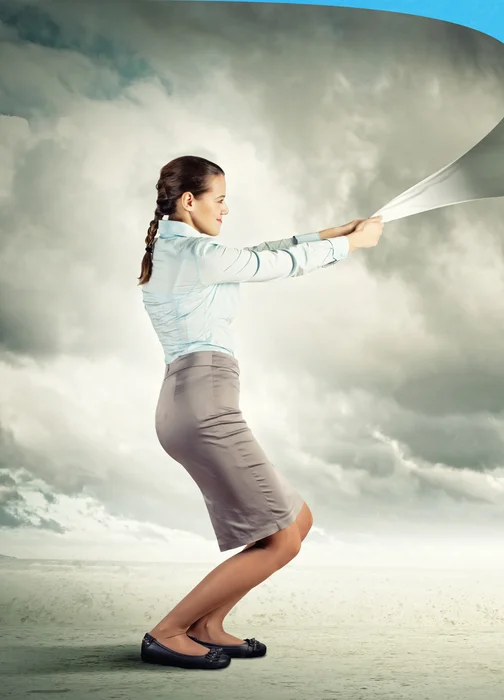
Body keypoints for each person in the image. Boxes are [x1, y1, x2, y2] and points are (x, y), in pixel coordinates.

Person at [136, 155, 383, 670]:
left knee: (297, 520)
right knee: (283, 541)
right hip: (203, 406)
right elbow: (270, 265)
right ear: (190, 201)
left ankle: (207, 626)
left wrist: (333, 233)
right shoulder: (196, 253)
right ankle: (167, 632)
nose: (226, 210)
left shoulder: (182, 251)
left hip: (194, 402)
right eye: (220, 199)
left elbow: (255, 253)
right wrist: (350, 246)